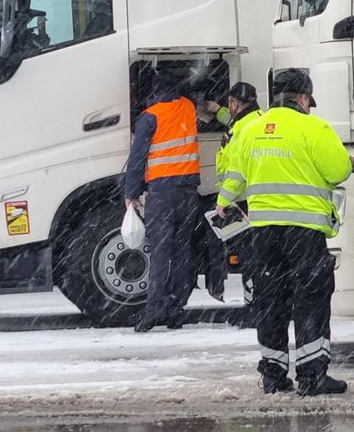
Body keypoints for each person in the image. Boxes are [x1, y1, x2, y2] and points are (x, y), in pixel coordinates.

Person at [216, 68, 351, 396]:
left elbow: (235, 174)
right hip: (303, 231)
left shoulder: (250, 129)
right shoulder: (314, 127)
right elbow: (339, 170)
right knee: (311, 297)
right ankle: (311, 376)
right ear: (303, 98)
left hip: (262, 232)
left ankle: (274, 376)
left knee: (271, 300)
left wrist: (223, 202)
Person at [125, 71, 200, 332]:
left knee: (160, 252)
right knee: (182, 253)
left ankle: (153, 309)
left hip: (162, 194)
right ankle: (176, 310)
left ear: (154, 93)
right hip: (189, 193)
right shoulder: (189, 108)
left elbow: (137, 159)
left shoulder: (150, 117)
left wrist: (131, 193)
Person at [206, 82, 263, 326]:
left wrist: (222, 201)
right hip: (255, 200)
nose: (228, 108)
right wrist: (216, 110)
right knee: (258, 256)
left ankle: (253, 310)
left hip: (243, 202)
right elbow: (231, 121)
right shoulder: (256, 118)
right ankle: (258, 305)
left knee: (250, 259)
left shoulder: (241, 131)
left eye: (229, 104)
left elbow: (236, 174)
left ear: (235, 104)